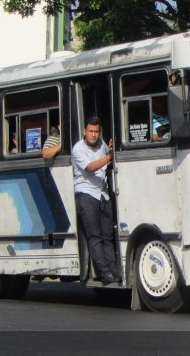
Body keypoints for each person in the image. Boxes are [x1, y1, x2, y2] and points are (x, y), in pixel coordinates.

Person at [71, 117, 118, 284]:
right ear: (85, 131)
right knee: (95, 236)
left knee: (108, 235)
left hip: (103, 194)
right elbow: (91, 167)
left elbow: (107, 155)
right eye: (90, 131)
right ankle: (104, 273)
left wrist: (110, 149)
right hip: (86, 194)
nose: (93, 135)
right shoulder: (78, 149)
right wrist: (109, 156)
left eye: (96, 132)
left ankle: (114, 270)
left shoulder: (101, 144)